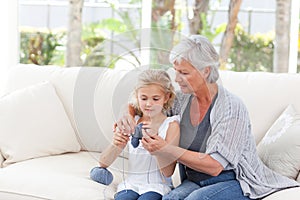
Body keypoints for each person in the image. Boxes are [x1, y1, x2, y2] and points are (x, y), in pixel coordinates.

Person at [116, 35, 299, 200]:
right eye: (176, 71)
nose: (177, 79)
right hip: (194, 179)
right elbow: (143, 105)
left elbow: (214, 166)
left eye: (184, 73)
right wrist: (127, 115)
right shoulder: (181, 100)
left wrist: (167, 149)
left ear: (206, 71)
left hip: (236, 180)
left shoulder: (231, 108)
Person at [95, 69, 180, 200]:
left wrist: (156, 148)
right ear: (137, 96)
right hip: (130, 185)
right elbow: (103, 163)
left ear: (166, 97)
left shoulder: (171, 125)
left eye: (155, 99)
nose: (148, 104)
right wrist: (116, 144)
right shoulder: (131, 122)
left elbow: (168, 172)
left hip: (157, 186)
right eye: (143, 98)